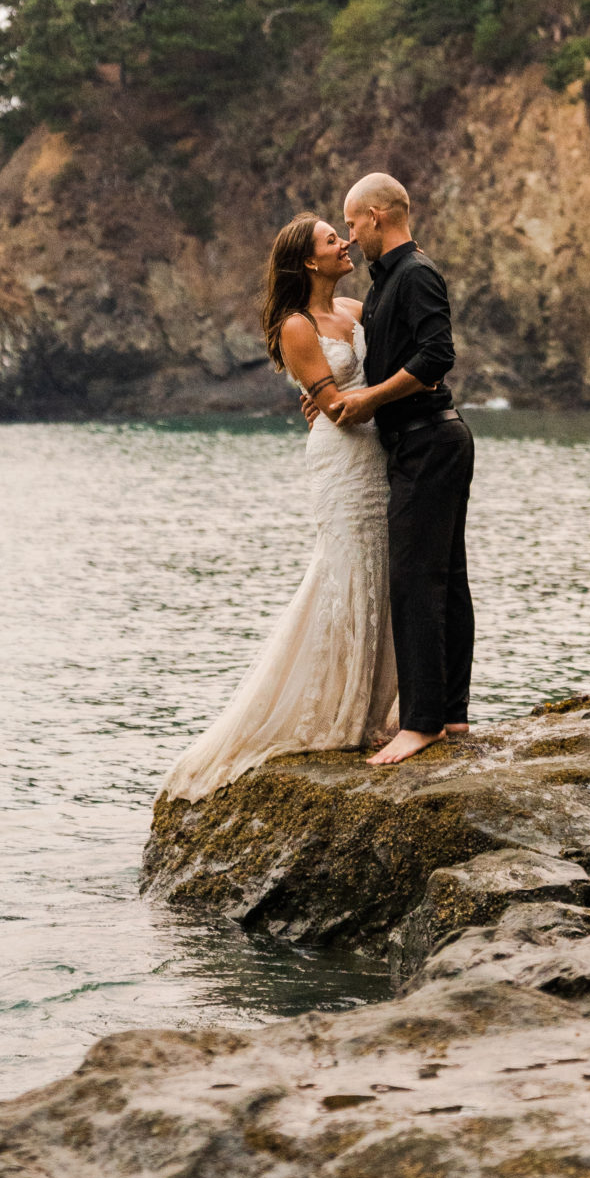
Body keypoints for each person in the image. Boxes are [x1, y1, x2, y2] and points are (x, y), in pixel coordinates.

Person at [155, 214, 397, 802]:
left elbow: (367, 380)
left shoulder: (359, 311)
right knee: (344, 572)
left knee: (384, 572)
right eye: (331, 240)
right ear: (310, 261)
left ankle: (373, 707)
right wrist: (397, 392)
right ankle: (332, 710)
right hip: (343, 460)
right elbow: (337, 409)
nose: (344, 243)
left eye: (342, 235)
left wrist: (381, 392)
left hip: (381, 455)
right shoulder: (296, 326)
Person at [305, 173, 474, 765]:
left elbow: (437, 357)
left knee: (416, 579)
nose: (349, 236)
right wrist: (334, 395)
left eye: (351, 224)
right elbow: (369, 357)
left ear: (376, 216)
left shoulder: (416, 274)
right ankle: (452, 714)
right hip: (423, 441)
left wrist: (369, 399)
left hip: (430, 439)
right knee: (445, 576)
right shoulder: (384, 283)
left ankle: (422, 721)